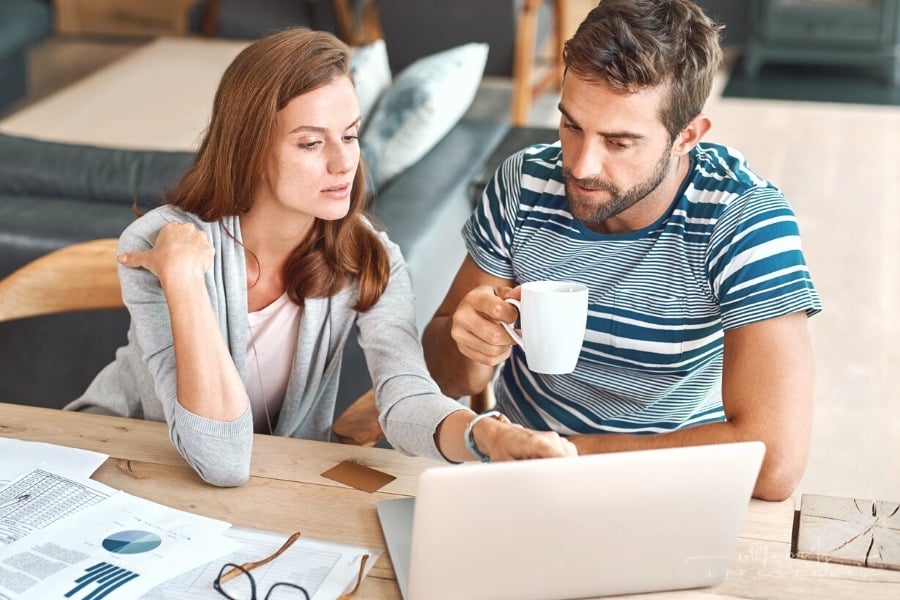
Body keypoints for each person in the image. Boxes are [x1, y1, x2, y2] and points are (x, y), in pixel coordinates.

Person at [67, 27, 575, 487]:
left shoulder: (367, 256)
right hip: (112, 463)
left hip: (260, 485)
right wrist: (181, 279)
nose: (343, 163)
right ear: (248, 148)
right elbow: (220, 458)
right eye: (311, 143)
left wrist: (487, 438)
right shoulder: (160, 244)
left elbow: (405, 397)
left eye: (350, 135)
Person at [422, 0, 822, 502]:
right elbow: (443, 374)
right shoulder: (523, 183)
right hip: (520, 472)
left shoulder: (744, 220)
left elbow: (774, 463)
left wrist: (567, 456)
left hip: (671, 479)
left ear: (687, 137)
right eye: (571, 126)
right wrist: (471, 348)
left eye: (619, 142)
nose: (581, 166)